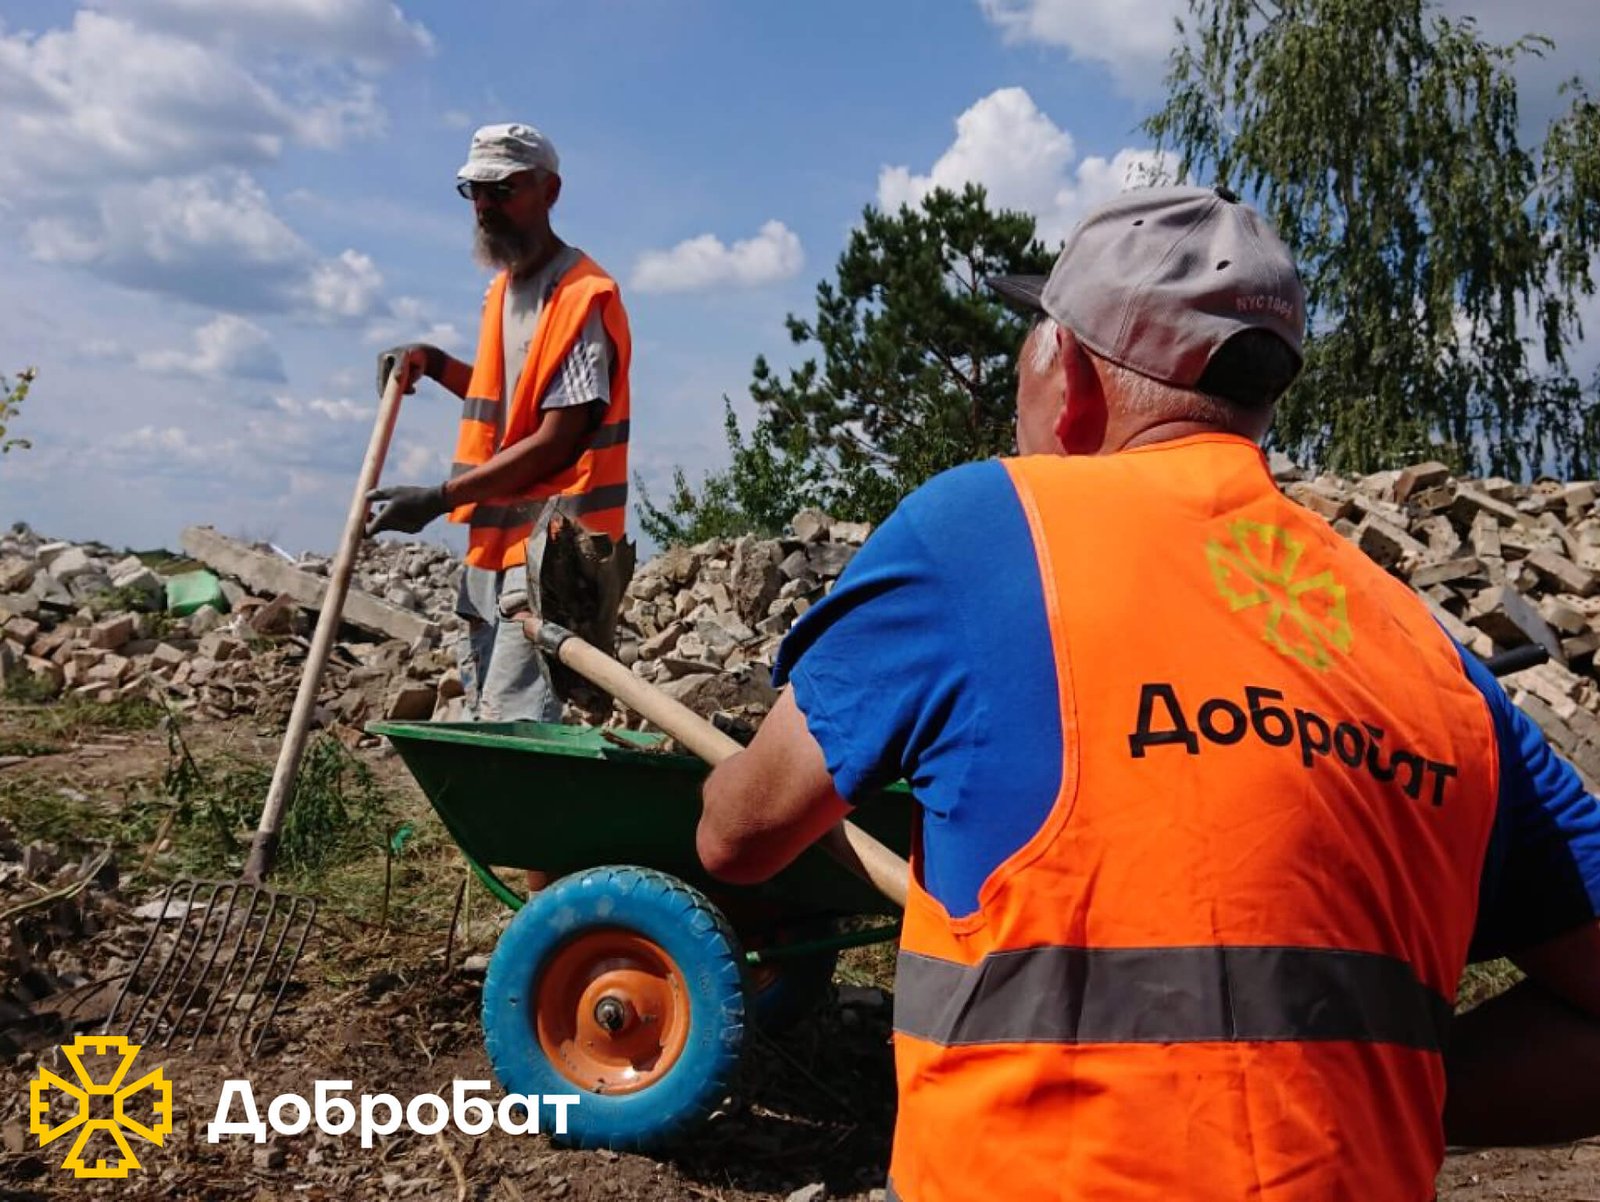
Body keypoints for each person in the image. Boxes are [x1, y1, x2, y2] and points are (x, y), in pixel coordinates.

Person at [698, 185, 1600, 1200]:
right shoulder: (1424, 649)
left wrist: (730, 783)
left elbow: (743, 835)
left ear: (1068, 373)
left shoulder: (987, 529)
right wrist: (1355, 1089)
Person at [367, 122, 633, 723]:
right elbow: (510, 407)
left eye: (501, 191)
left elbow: (559, 441)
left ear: (549, 191)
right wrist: (432, 364)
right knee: (489, 714)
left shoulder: (582, 297)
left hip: (552, 552)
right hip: (491, 547)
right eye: (474, 193)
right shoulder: (503, 293)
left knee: (515, 726)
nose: (484, 207)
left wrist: (438, 498)